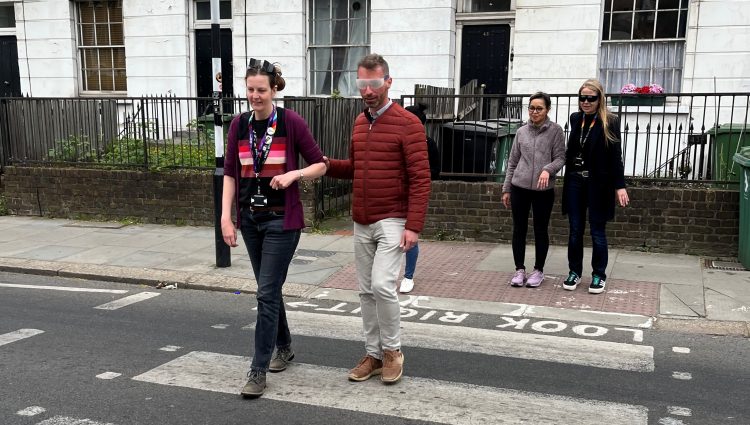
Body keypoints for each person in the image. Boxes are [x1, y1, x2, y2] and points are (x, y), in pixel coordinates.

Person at [221, 58, 327, 398]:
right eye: (250, 89)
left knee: (266, 292)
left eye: (261, 90)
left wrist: (294, 174)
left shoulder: (290, 122)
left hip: (282, 220)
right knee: (270, 290)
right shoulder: (238, 126)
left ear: (274, 90)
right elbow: (229, 173)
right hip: (250, 219)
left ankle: (257, 370)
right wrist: (226, 217)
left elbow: (321, 164)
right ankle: (284, 346)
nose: (255, 96)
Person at [324, 54, 431, 384]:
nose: (367, 90)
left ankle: (393, 351)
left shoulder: (408, 124)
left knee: (383, 285)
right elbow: (355, 168)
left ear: (388, 82)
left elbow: (420, 178)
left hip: (393, 219)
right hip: (362, 220)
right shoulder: (359, 123)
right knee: (365, 291)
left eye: (373, 83)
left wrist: (413, 226)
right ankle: (373, 353)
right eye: (361, 84)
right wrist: (326, 164)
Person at [561, 79, 629, 294]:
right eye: (583, 98)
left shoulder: (610, 121)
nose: (586, 102)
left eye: (591, 98)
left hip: (598, 183)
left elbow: (615, 157)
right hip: (575, 181)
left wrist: (620, 186)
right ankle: (574, 272)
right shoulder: (575, 119)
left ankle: (599, 274)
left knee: (597, 231)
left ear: (600, 99)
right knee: (575, 230)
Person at [501, 92, 565, 288]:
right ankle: (519, 269)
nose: (534, 112)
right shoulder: (521, 132)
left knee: (540, 230)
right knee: (519, 229)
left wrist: (547, 169)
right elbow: (512, 162)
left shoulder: (555, 131)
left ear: (547, 110)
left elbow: (561, 158)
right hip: (519, 186)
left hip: (543, 189)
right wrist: (506, 189)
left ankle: (538, 270)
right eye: (531, 108)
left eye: (539, 108)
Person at [400, 103, 440, 293]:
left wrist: (418, 174)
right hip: (394, 194)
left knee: (410, 235)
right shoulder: (396, 142)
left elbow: (435, 171)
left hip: (413, 195)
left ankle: (408, 276)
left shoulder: (428, 144)